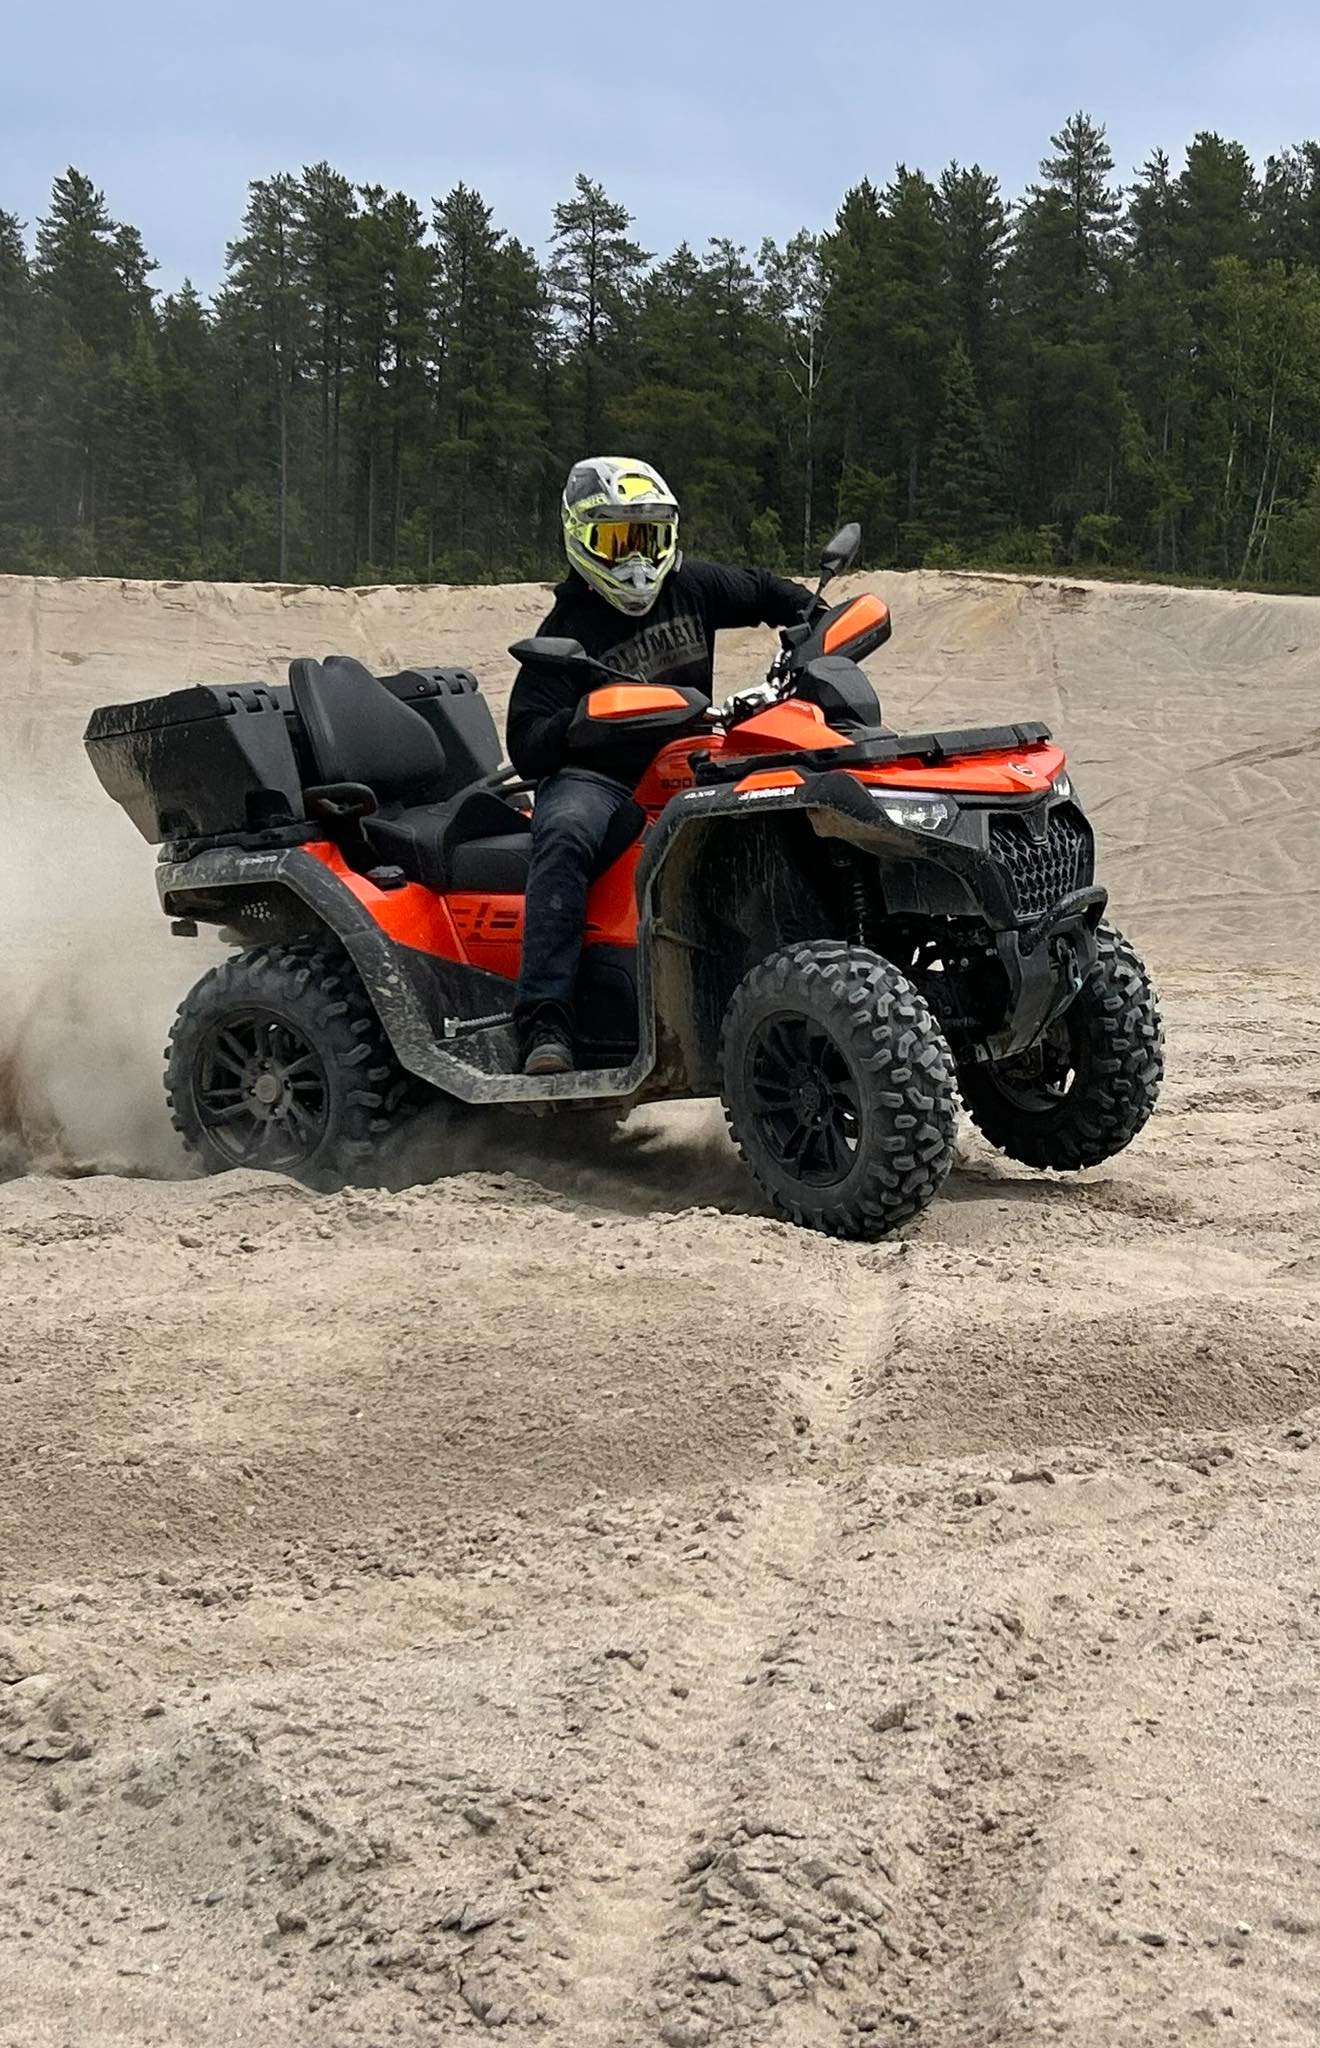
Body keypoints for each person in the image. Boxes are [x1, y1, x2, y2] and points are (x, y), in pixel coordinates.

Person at [508, 456, 811, 1076]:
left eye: (648, 538)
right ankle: (546, 1021)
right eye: (617, 540)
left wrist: (814, 620)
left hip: (693, 760)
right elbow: (526, 743)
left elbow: (763, 590)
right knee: (562, 835)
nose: (636, 559)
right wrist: (582, 722)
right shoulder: (565, 629)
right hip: (602, 779)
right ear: (581, 540)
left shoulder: (691, 586)